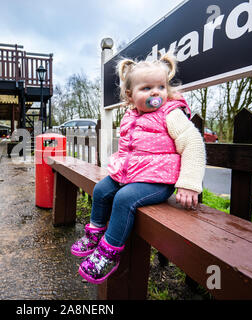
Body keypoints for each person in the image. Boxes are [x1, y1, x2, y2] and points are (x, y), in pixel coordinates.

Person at [70, 52, 206, 284]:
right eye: (146, 88)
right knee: (102, 189)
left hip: (159, 180)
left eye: (160, 87)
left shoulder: (170, 115)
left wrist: (189, 184)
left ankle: (110, 252)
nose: (155, 92)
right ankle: (95, 233)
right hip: (133, 175)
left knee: (124, 199)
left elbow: (193, 143)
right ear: (130, 95)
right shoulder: (130, 116)